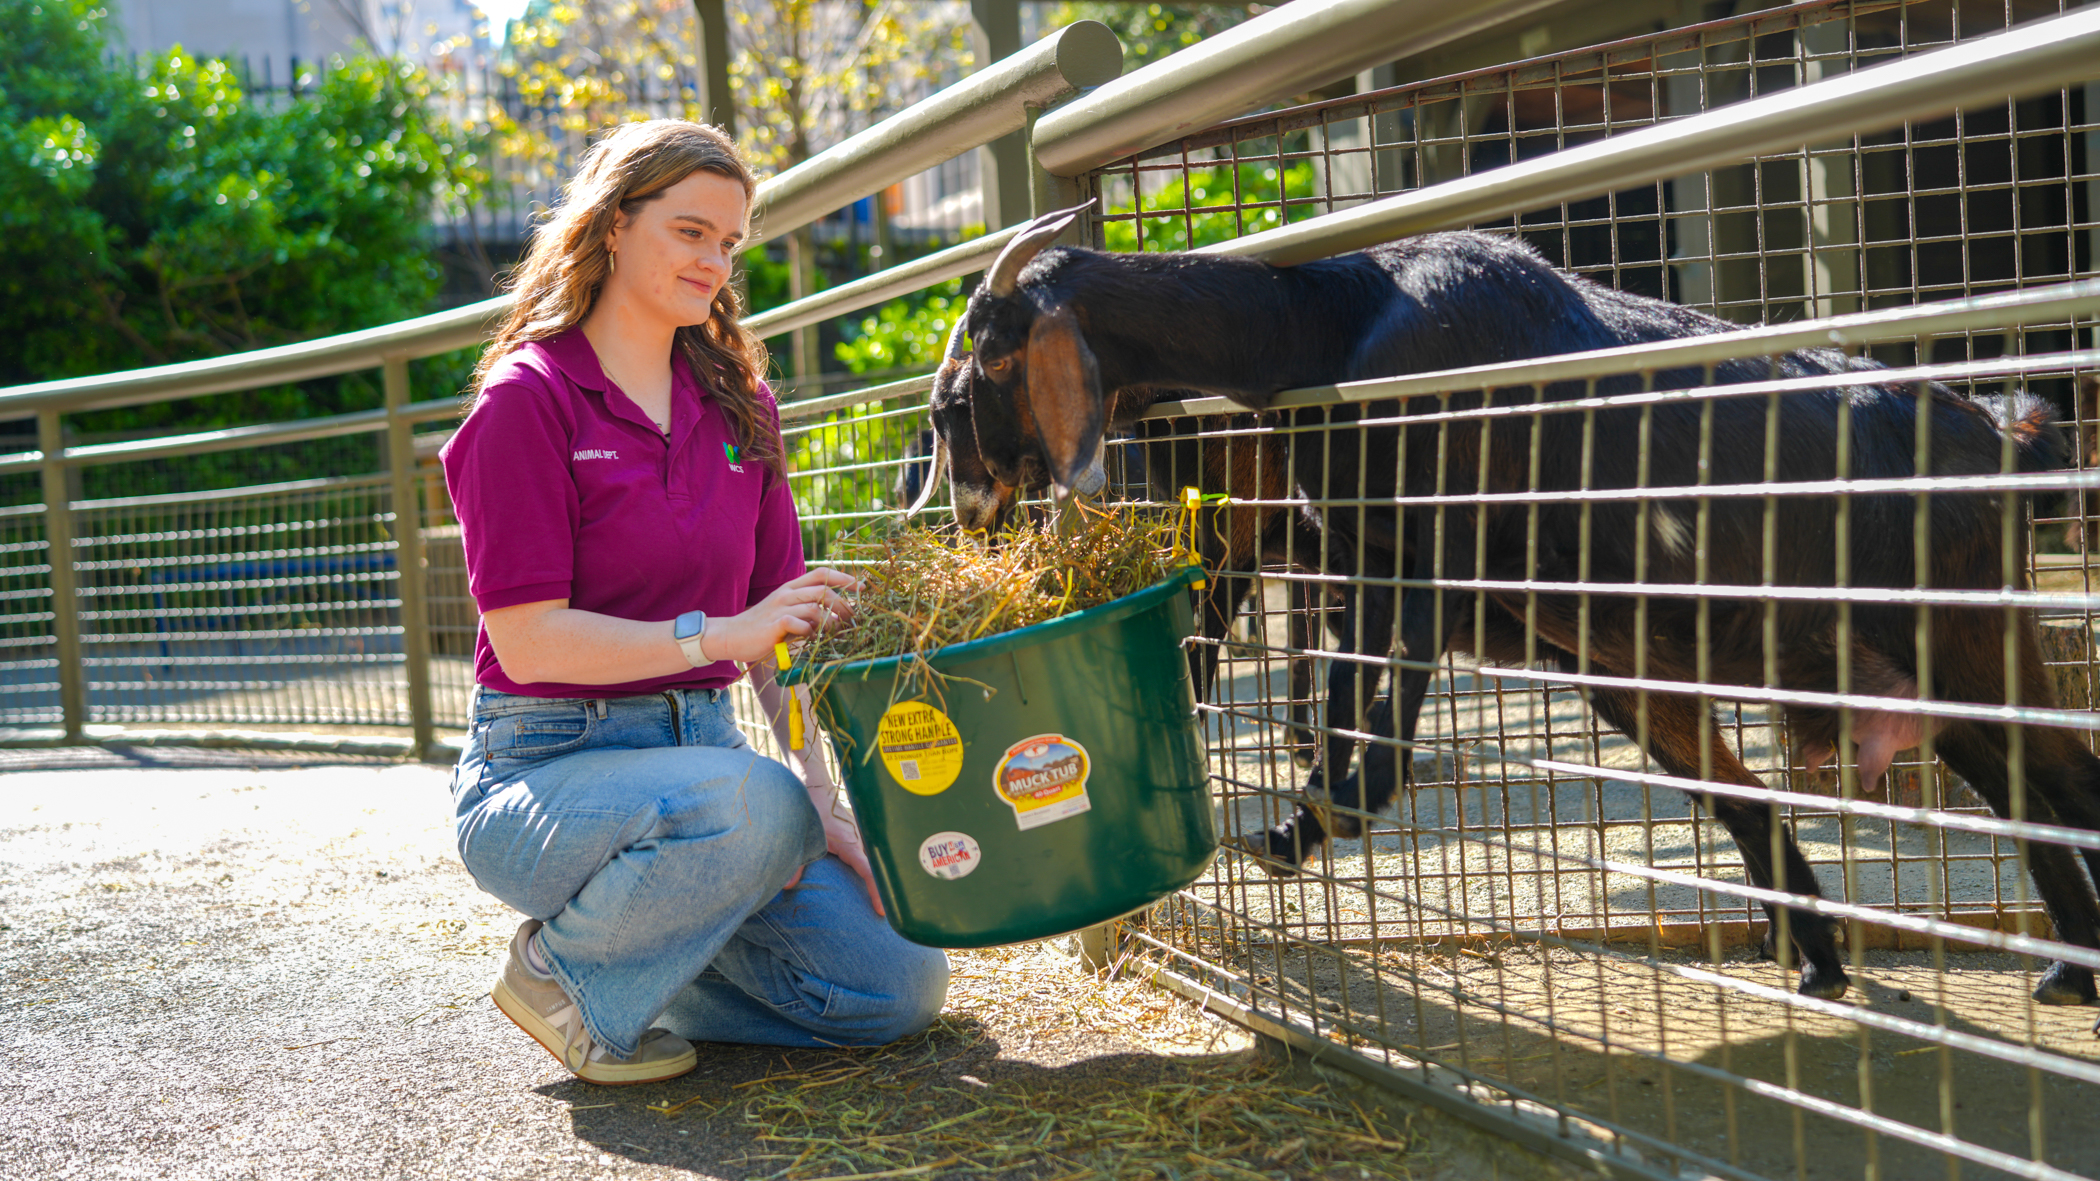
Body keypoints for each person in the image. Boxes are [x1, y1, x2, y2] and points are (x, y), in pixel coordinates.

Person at [440, 119, 949, 1085]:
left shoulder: (740, 403)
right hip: (545, 768)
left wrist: (824, 801)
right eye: (690, 231)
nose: (715, 261)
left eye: (730, 241)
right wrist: (717, 638)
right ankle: (561, 971)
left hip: (705, 767)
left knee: (897, 984)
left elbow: (778, 633)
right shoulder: (527, 401)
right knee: (752, 803)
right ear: (614, 226)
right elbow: (529, 638)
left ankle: (646, 960)